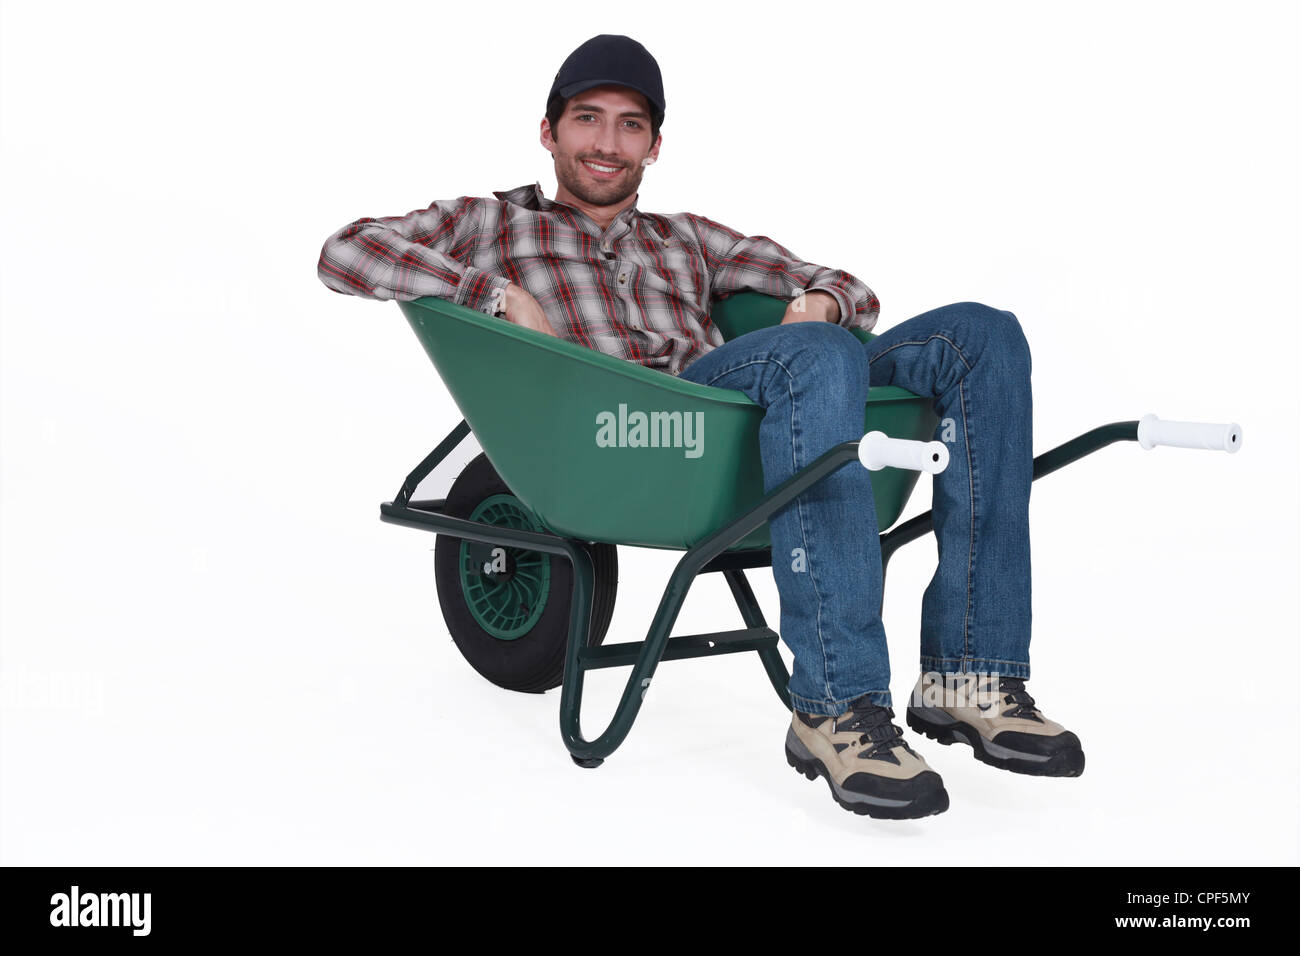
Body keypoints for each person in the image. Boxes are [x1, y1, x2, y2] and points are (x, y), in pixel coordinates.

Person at [317, 34, 1084, 820]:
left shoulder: (686, 237)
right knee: (818, 358)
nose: (607, 143)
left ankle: (970, 674)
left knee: (984, 337)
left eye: (631, 125)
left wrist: (818, 302)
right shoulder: (494, 224)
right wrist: (495, 293)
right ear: (549, 132)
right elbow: (347, 251)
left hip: (737, 418)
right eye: (587, 119)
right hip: (633, 433)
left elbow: (844, 285)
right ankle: (836, 707)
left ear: (654, 146)